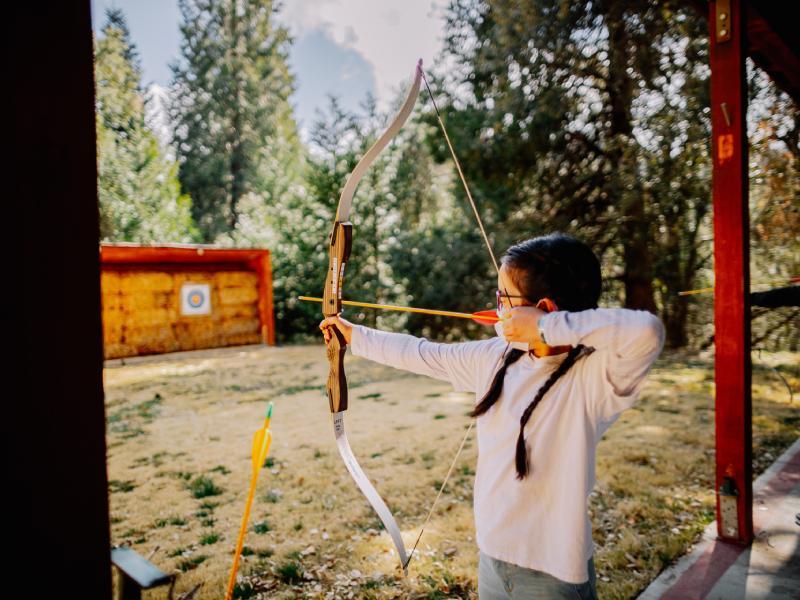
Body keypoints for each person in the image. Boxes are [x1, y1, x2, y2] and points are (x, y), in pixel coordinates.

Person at [320, 232, 665, 599]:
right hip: (492, 559)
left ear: (542, 308)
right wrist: (353, 335)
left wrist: (546, 327)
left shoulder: (594, 378)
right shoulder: (497, 357)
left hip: (551, 574)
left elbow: (647, 331)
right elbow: (422, 353)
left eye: (504, 299)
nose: (497, 306)